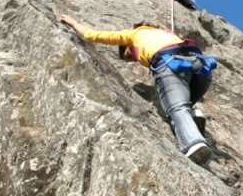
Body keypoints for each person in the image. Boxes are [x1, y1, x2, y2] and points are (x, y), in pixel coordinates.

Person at [59, 14, 216, 164]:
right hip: (201, 65)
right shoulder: (164, 33)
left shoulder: (132, 35)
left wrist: (73, 22)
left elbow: (91, 35)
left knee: (176, 107)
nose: (132, 59)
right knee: (184, 102)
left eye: (130, 55)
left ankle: (193, 143)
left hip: (170, 62)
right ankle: (193, 115)